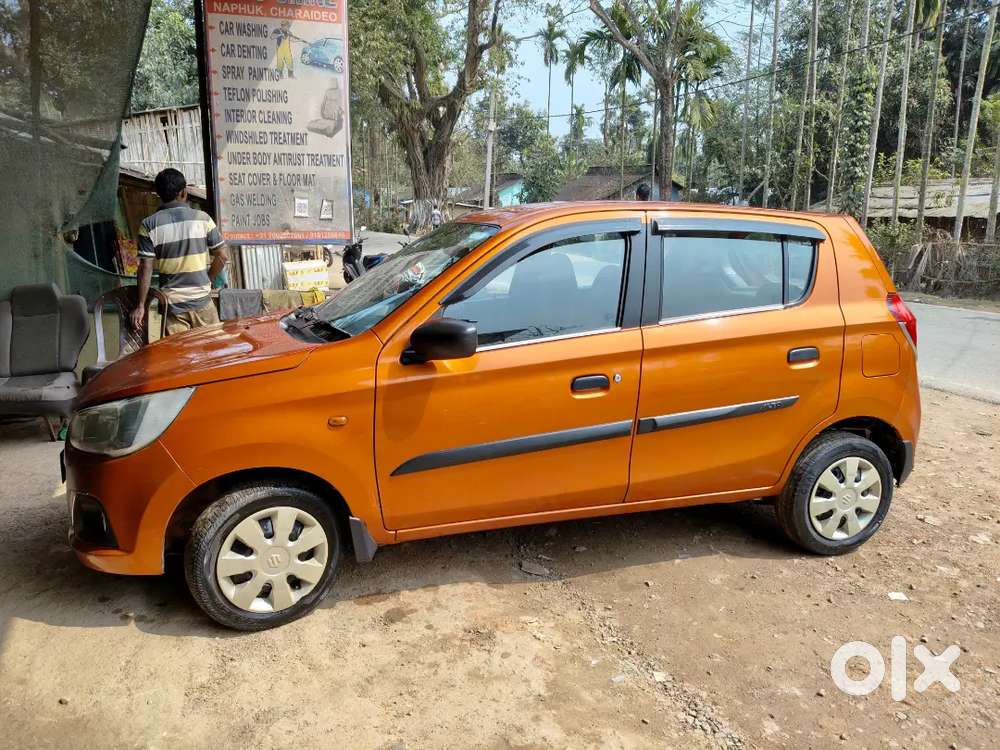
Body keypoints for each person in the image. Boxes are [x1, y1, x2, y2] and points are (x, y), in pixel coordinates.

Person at [132, 169, 229, 335]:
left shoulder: (148, 225)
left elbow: (145, 268)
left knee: (181, 358)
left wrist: (140, 305)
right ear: (184, 192)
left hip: (173, 307)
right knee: (214, 355)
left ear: (159, 194)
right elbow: (222, 256)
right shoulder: (203, 218)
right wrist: (208, 279)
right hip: (203, 303)